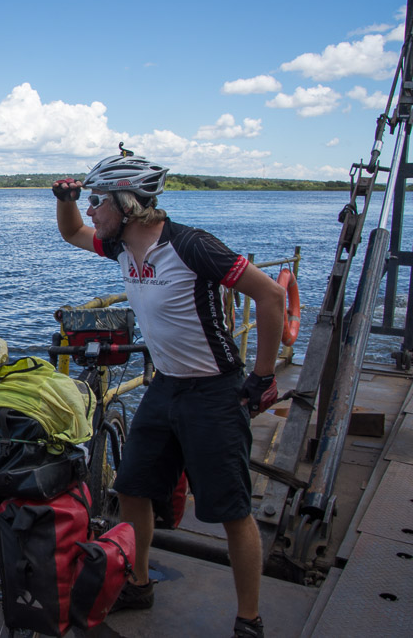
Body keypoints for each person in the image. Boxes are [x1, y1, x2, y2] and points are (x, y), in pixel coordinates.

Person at [53, 146, 284, 638]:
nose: (92, 210)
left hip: (213, 392)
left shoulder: (191, 245)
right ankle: (139, 582)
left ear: (128, 202)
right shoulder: (122, 247)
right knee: (133, 487)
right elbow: (72, 231)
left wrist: (262, 375)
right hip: (166, 387)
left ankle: (249, 620)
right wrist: (64, 198)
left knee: (231, 509)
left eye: (98, 200)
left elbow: (271, 295)